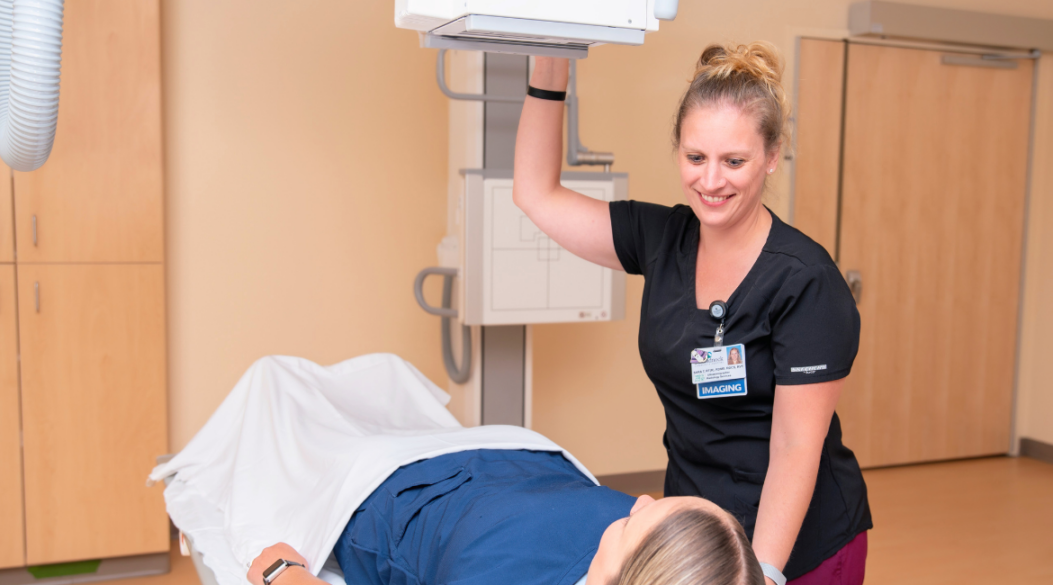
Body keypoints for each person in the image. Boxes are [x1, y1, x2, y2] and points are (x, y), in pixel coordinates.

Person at [512, 42, 872, 585]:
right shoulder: (662, 239)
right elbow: (535, 193)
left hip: (798, 547)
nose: (711, 181)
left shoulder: (804, 281)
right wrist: (551, 61)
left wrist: (765, 574)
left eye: (734, 161)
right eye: (695, 158)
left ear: (772, 156)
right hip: (693, 537)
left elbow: (797, 446)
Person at [246, 448, 764, 585]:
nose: (642, 501)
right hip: (511, 460)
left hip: (400, 495)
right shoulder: (623, 526)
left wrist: (280, 574)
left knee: (272, 379)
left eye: (637, 523)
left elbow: (271, 565)